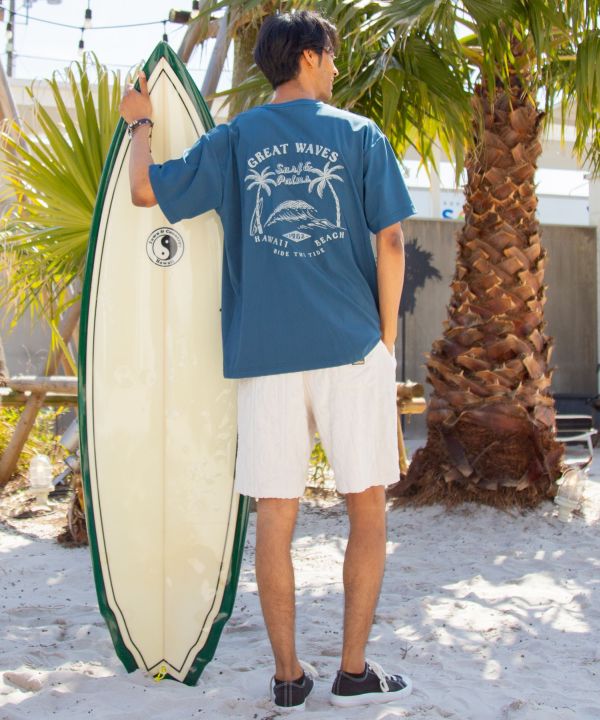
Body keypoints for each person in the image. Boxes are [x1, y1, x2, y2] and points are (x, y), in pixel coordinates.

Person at [120, 9, 415, 711]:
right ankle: (352, 672)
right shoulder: (359, 135)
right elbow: (392, 241)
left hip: (267, 356)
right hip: (350, 350)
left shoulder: (235, 139)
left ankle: (287, 679)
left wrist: (140, 123)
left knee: (275, 520)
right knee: (367, 509)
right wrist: (383, 341)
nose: (336, 69)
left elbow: (144, 190)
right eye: (332, 56)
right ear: (309, 56)